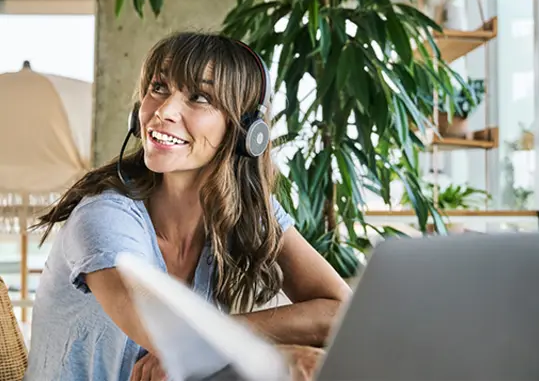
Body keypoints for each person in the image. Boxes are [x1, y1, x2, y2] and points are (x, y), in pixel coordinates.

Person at [24, 31, 351, 381]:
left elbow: (342, 311)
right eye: (159, 87)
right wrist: (279, 356)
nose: (163, 111)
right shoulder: (103, 216)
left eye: (199, 97)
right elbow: (166, 334)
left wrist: (227, 333)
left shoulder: (245, 211)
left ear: (244, 131)